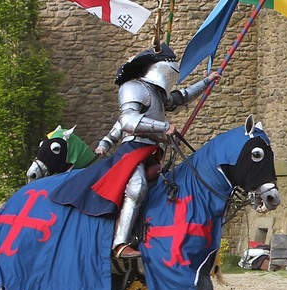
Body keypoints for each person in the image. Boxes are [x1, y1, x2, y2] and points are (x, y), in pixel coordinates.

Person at [91, 43, 219, 259]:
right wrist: (162, 127)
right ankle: (120, 243)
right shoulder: (133, 87)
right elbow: (127, 121)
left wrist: (207, 81)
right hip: (133, 149)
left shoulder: (156, 93)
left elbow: (181, 97)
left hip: (153, 151)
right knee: (138, 185)